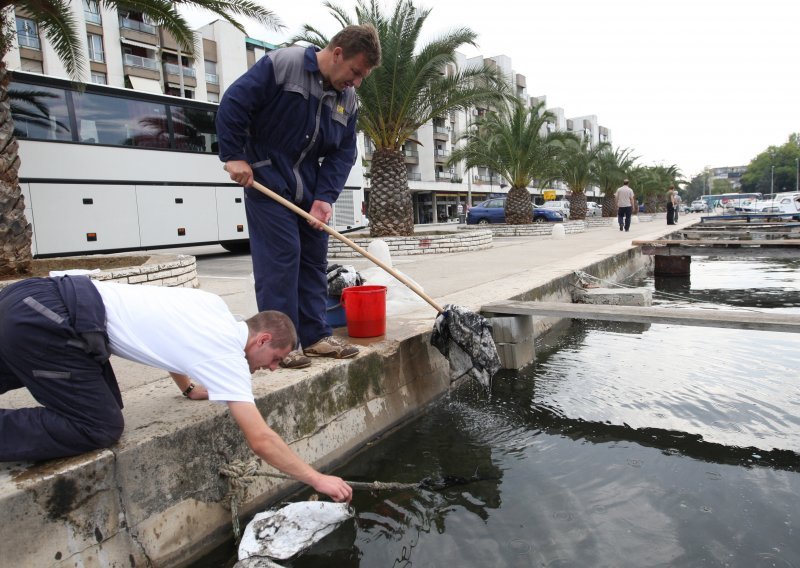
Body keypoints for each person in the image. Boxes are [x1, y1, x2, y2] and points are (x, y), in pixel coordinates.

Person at [0, 276, 353, 503]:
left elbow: (167, 336)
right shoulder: (228, 356)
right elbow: (260, 438)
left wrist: (188, 389)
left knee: (103, 399)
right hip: (49, 322)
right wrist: (315, 478)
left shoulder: (212, 307)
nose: (273, 367)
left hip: (33, 297)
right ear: (261, 339)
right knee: (99, 425)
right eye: (275, 358)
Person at [216, 26, 382, 370]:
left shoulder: (347, 100)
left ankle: (316, 337)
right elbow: (234, 103)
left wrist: (325, 198)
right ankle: (281, 343)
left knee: (313, 258)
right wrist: (233, 156)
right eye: (355, 72)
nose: (356, 82)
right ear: (337, 53)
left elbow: (343, 153)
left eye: (362, 76)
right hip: (267, 177)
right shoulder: (284, 65)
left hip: (308, 187)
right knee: (282, 257)